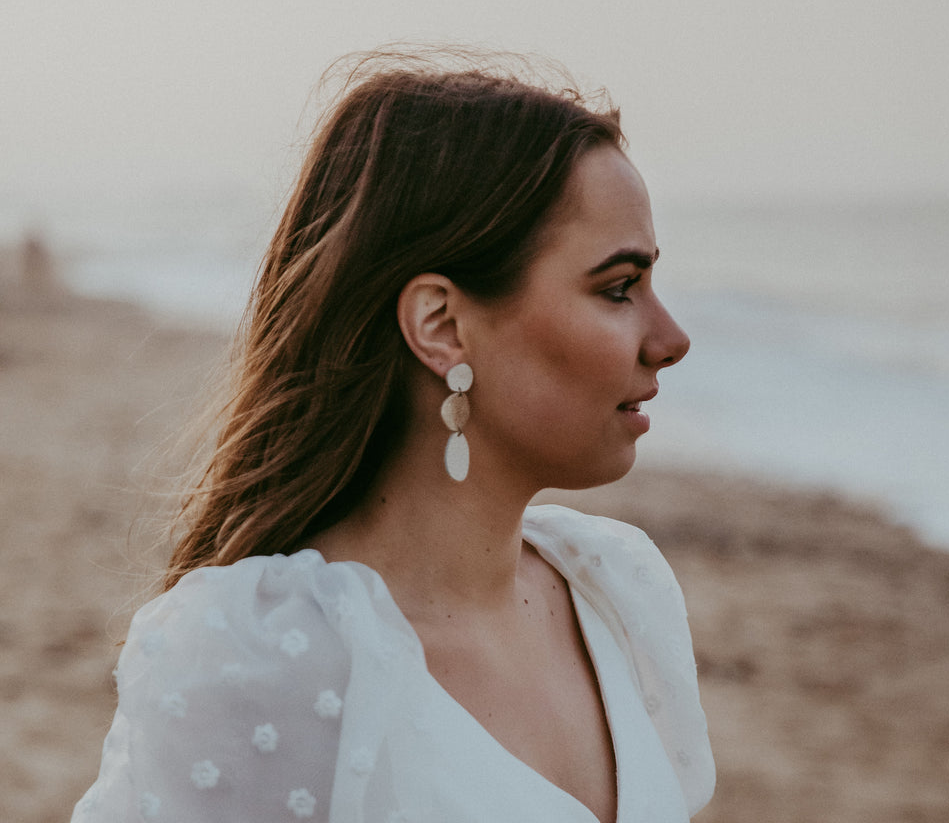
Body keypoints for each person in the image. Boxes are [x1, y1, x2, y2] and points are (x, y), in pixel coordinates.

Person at [71, 49, 715, 823]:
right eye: (618, 288)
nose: (671, 338)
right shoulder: (261, 658)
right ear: (441, 326)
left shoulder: (618, 591)